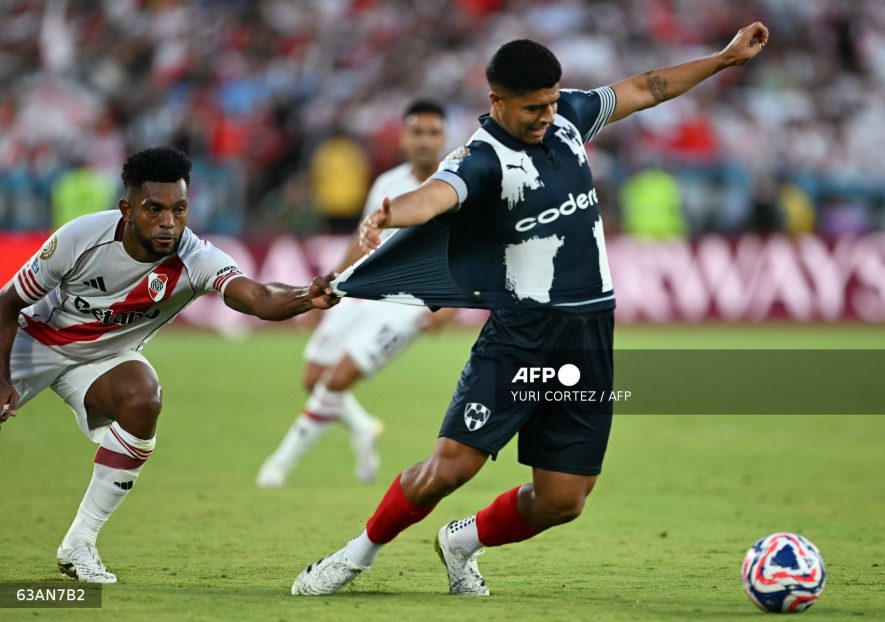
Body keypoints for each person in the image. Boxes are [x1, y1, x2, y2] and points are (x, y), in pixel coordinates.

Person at [291, 23, 768, 597]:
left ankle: (461, 542)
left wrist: (721, 59)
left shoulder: (567, 115)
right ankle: (354, 556)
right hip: (522, 336)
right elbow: (437, 195)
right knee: (450, 469)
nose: (546, 116)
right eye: (532, 108)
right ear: (497, 101)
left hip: (589, 334)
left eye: (550, 102)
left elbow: (646, 88)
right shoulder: (482, 158)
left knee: (564, 501)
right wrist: (393, 212)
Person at [0, 146, 338, 584]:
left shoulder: (194, 258)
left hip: (101, 358)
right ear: (127, 209)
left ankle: (79, 544)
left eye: (179, 209)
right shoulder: (80, 238)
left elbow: (257, 297)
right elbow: (7, 304)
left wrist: (303, 297)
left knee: (144, 397)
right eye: (154, 209)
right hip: (31, 341)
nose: (168, 222)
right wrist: (2, 377)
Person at [256, 100, 456, 487]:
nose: (425, 141)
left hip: (411, 304)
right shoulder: (387, 184)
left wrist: (448, 309)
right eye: (418, 132)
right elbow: (364, 241)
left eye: (434, 133)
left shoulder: (456, 186)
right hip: (367, 290)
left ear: (445, 138)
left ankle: (280, 464)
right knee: (313, 376)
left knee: (338, 379)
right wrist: (329, 286)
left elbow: (472, 252)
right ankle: (363, 428)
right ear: (403, 136)